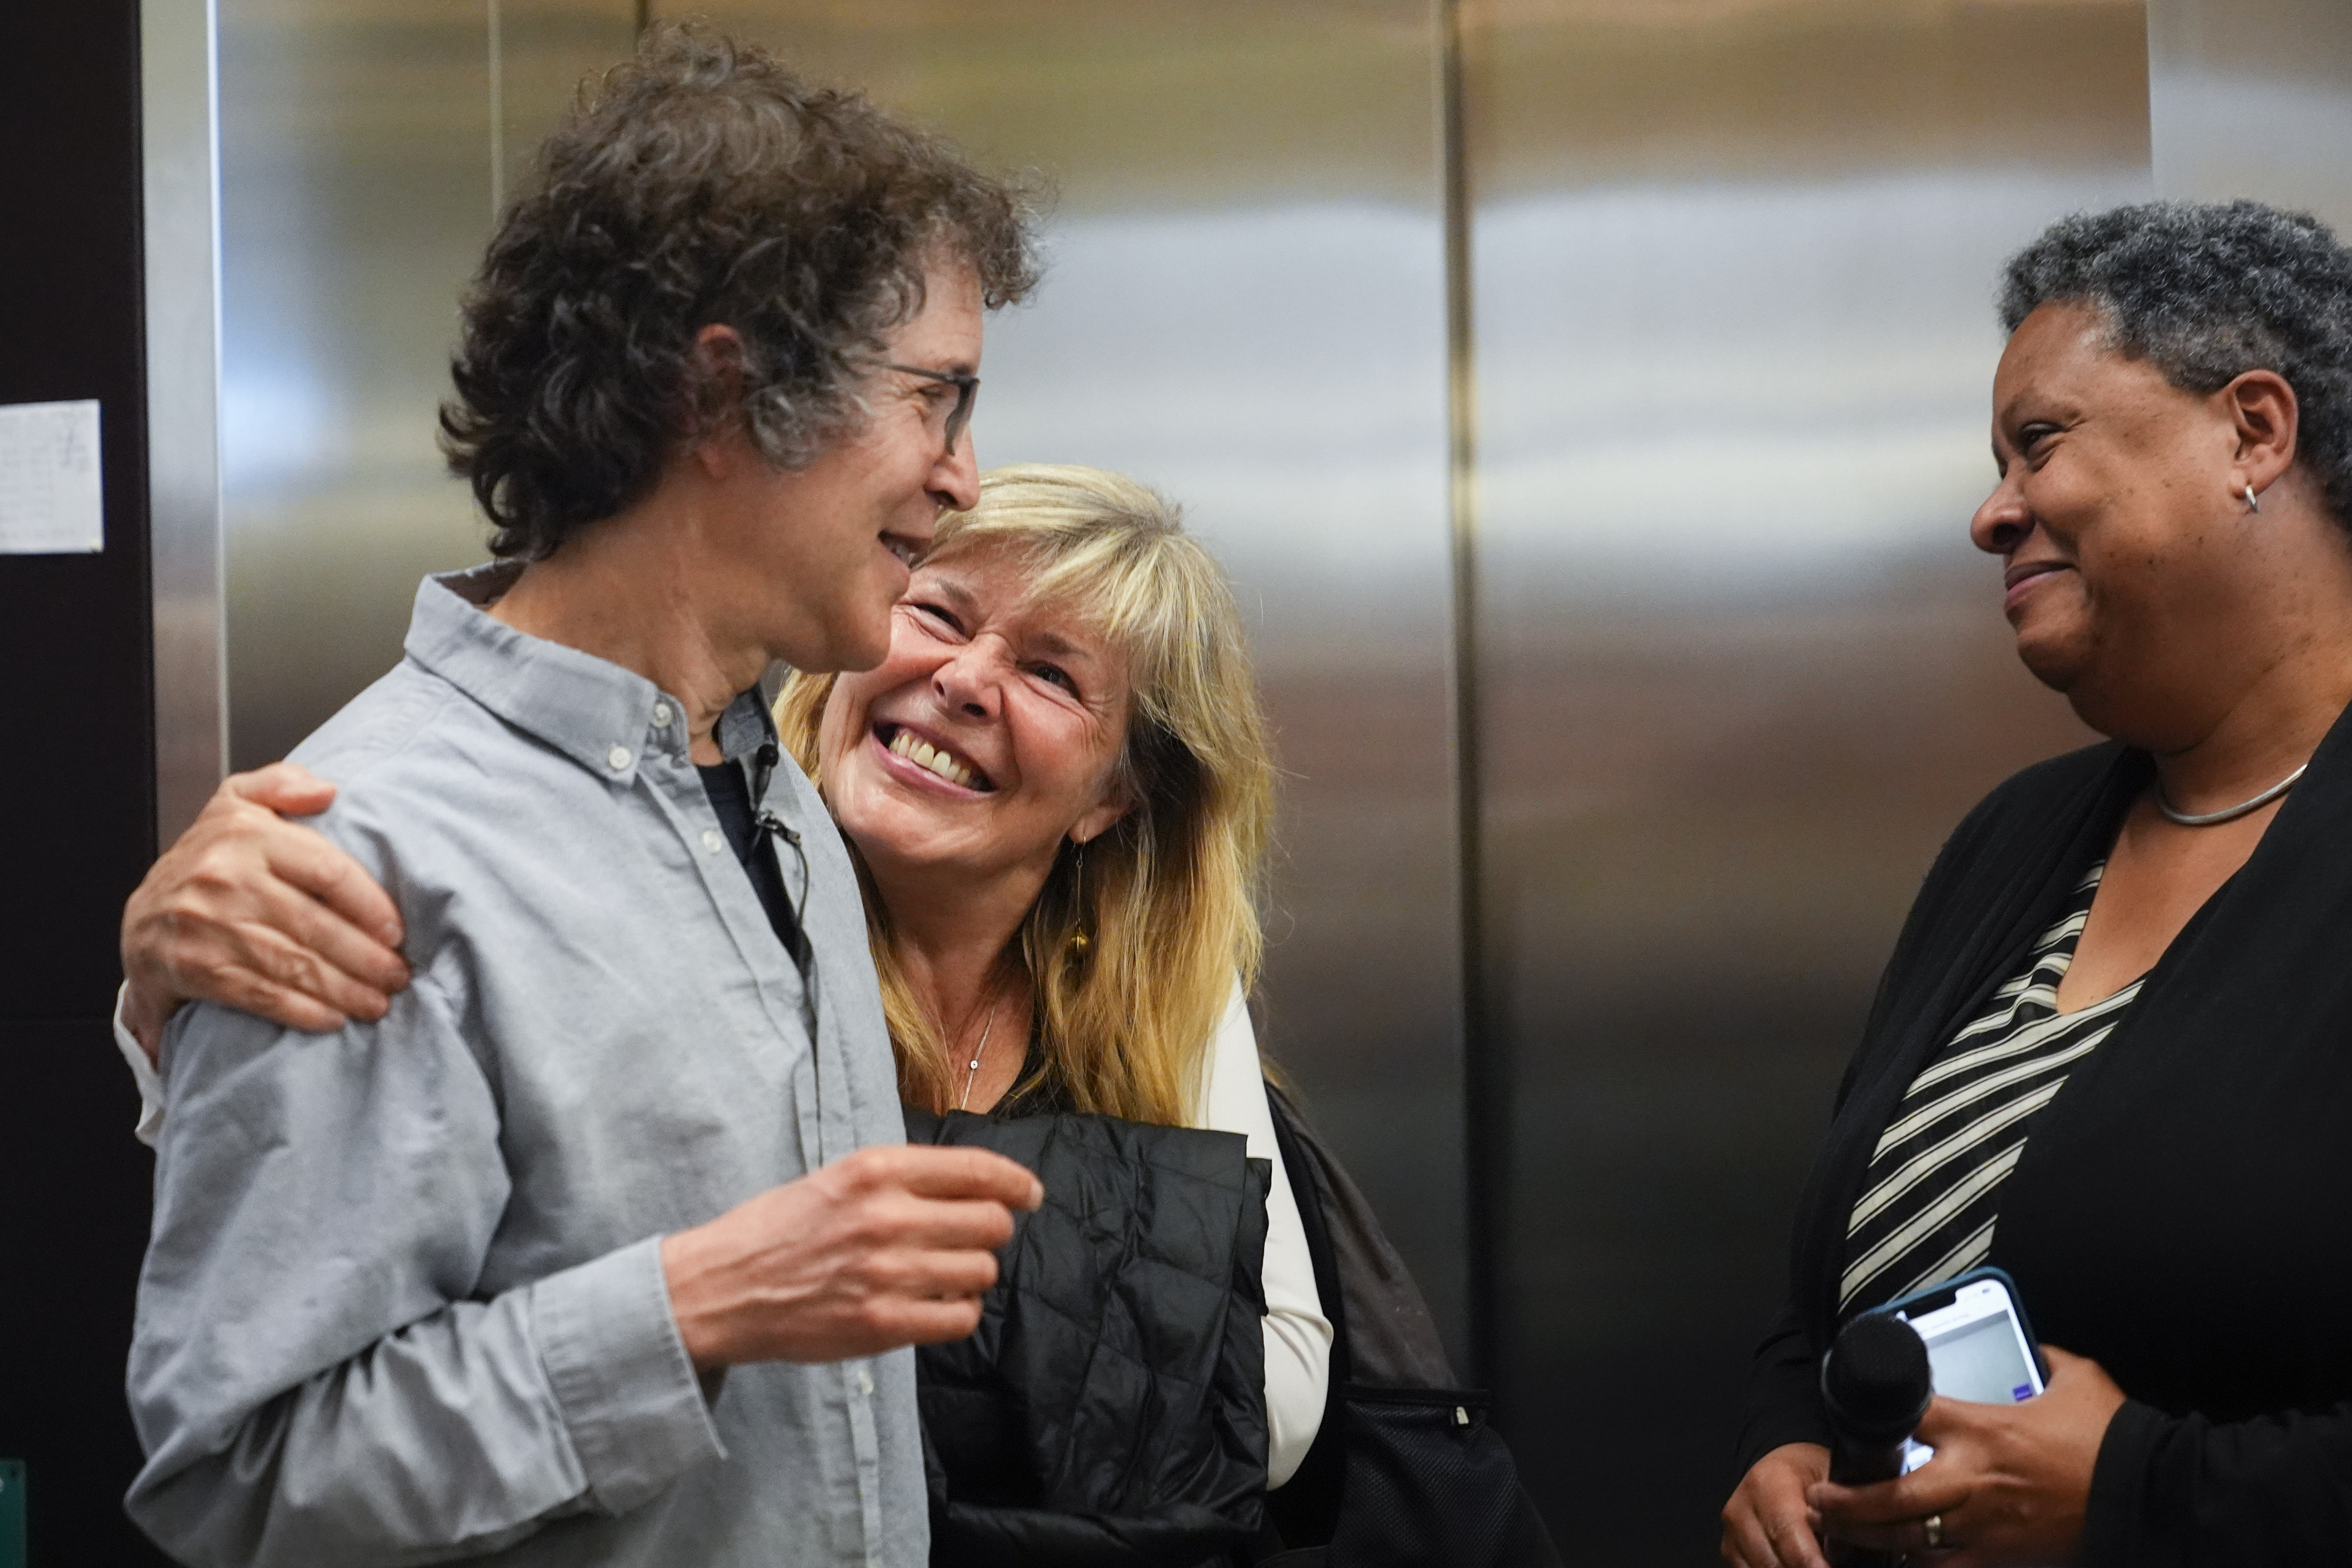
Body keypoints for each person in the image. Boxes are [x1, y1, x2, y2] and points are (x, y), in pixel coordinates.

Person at [122, 26, 1049, 1566]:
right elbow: (245, 1478)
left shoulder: (776, 790)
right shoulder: (356, 862)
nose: (964, 475)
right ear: (724, 394)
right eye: (937, 399)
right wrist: (692, 1309)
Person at [118, 467, 1332, 1544]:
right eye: (940, 615)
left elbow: (1279, 1394)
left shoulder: (1160, 985)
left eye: (1051, 673)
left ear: (1114, 799)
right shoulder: (726, 889)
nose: (964, 680)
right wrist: (161, 1006)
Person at [1720, 199, 2352, 1568]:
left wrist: (2138, 1491)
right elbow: (1830, 1285)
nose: (1992, 512)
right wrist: (1788, 1440)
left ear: (2254, 432)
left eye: (2040, 443)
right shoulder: (2018, 842)